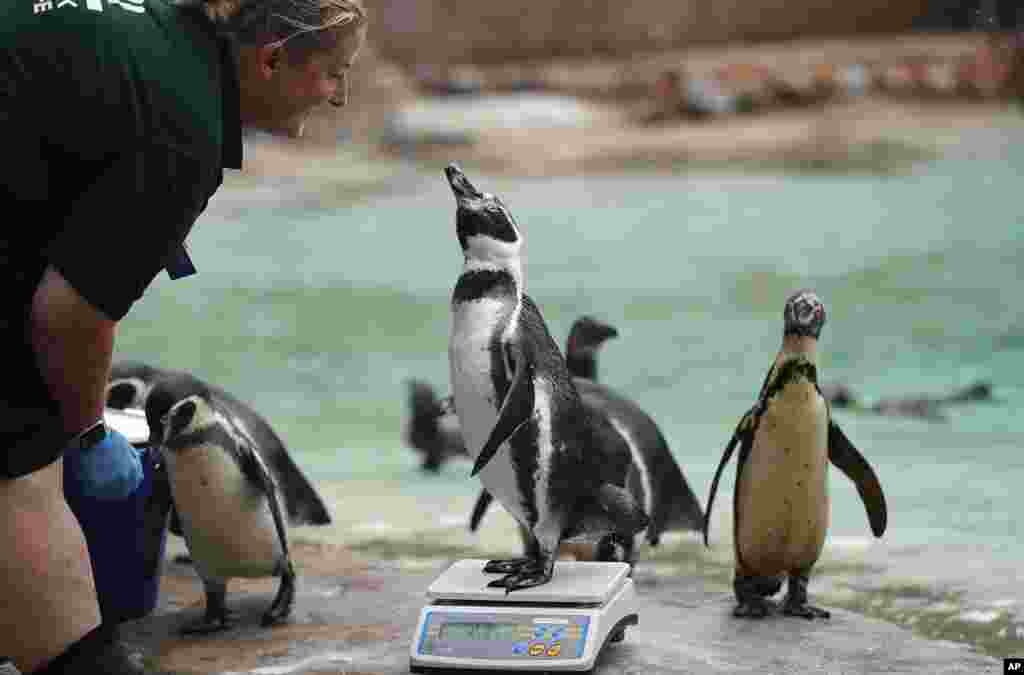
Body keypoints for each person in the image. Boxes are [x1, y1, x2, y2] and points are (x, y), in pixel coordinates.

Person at [0, 0, 367, 671]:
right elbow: (69, 316)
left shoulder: (163, 45)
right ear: (272, 58)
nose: (340, 97)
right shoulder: (182, 124)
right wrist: (86, 435)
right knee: (27, 483)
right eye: (333, 73)